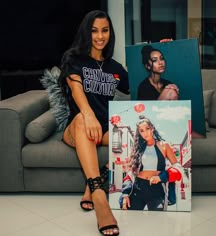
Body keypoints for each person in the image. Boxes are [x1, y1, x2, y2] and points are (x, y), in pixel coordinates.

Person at [58, 10, 129, 236]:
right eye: (94, 30)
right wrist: (88, 115)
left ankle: (94, 179)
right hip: (77, 126)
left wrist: (165, 50)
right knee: (81, 121)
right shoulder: (73, 59)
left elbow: (143, 83)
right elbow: (76, 90)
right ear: (86, 32)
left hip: (105, 128)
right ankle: (100, 197)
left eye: (105, 30)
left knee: (133, 134)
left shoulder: (115, 68)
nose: (100, 36)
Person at [120, 115, 182, 211]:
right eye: (141, 131)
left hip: (156, 188)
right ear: (139, 133)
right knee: (131, 218)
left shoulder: (164, 145)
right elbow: (130, 172)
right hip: (137, 187)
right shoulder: (137, 148)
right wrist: (125, 193)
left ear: (152, 128)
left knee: (158, 221)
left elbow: (177, 167)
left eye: (147, 129)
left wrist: (161, 177)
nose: (145, 133)